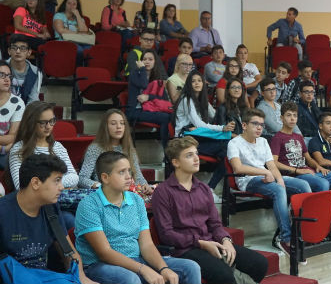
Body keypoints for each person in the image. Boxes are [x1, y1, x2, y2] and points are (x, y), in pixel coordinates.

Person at [153, 137, 268, 284]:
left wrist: (226, 240)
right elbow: (166, 234)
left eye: (196, 153)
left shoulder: (203, 188)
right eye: (189, 155)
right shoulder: (163, 191)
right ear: (175, 162)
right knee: (224, 275)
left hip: (211, 242)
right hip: (184, 249)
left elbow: (215, 224)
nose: (196, 158)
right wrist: (201, 243)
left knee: (259, 263)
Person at [75, 151, 201, 284]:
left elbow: (146, 245)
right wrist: (143, 269)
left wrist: (163, 268)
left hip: (136, 260)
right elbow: (104, 252)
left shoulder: (136, 200)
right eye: (122, 172)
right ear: (105, 178)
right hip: (99, 265)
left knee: (191, 267)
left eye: (129, 171)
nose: (129, 177)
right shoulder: (89, 204)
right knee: (130, 278)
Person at [0, 154, 97, 284]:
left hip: (43, 277)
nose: (62, 187)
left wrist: (82, 279)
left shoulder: (50, 207)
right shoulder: (3, 211)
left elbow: (68, 252)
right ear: (35, 183)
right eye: (57, 180)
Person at [226, 109, 293, 255]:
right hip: (247, 180)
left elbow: (272, 165)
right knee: (279, 190)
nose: (259, 128)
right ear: (244, 125)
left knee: (303, 186)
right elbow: (238, 168)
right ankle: (285, 238)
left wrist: (279, 179)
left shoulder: (263, 141)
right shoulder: (234, 143)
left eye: (262, 125)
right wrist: (265, 172)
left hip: (266, 176)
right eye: (255, 124)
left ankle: (300, 232)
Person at [173, 71, 235, 201]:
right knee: (227, 148)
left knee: (228, 151)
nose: (196, 83)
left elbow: (214, 115)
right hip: (184, 140)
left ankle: (210, 188)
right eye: (193, 81)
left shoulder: (202, 100)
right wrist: (222, 128)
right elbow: (199, 124)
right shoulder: (187, 99)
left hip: (197, 138)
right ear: (189, 84)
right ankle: (210, 189)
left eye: (199, 81)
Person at [78, 109, 152, 195]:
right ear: (105, 127)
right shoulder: (95, 148)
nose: (119, 127)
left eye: (122, 123)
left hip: (128, 194)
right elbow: (82, 179)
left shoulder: (129, 149)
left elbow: (138, 177)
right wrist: (100, 186)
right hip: (104, 195)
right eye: (113, 123)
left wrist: (144, 185)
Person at [9, 101, 76, 191]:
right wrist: (55, 183)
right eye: (43, 122)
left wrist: (45, 184)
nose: (48, 126)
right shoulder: (19, 149)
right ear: (31, 123)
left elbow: (74, 177)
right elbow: (21, 185)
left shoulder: (57, 147)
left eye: (52, 121)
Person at [271, 102, 331, 193]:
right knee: (323, 184)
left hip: (309, 171)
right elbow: (274, 163)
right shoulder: (277, 138)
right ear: (281, 118)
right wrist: (297, 171)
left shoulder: (298, 137)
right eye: (288, 115)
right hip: (295, 175)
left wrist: (318, 166)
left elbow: (308, 158)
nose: (292, 118)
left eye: (295, 116)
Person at [126, 49, 171, 148]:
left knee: (171, 116)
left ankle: (170, 149)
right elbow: (143, 84)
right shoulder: (134, 74)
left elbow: (163, 99)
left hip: (151, 109)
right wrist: (142, 69)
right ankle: (167, 151)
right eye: (144, 59)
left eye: (150, 59)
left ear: (155, 61)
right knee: (165, 118)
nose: (147, 61)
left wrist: (149, 97)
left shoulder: (158, 77)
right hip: (136, 110)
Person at [53, 0, 92, 65]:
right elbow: (60, 30)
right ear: (65, 4)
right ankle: (77, 71)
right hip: (62, 41)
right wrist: (78, 33)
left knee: (90, 49)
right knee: (79, 50)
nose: (71, 6)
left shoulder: (80, 18)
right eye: (69, 3)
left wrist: (77, 15)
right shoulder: (59, 15)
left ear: (77, 6)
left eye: (74, 4)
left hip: (79, 41)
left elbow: (85, 32)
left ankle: (85, 71)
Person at [0, 60, 23, 170]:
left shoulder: (17, 102)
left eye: (9, 76)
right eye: (2, 75)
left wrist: (3, 149)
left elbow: (13, 136)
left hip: (6, 151)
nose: (6, 79)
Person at [7, 35, 42, 105]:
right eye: (14, 48)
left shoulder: (35, 72)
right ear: (9, 51)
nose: (18, 51)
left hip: (25, 111)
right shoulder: (2, 68)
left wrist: (24, 114)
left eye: (23, 48)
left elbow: (33, 100)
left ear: (29, 52)